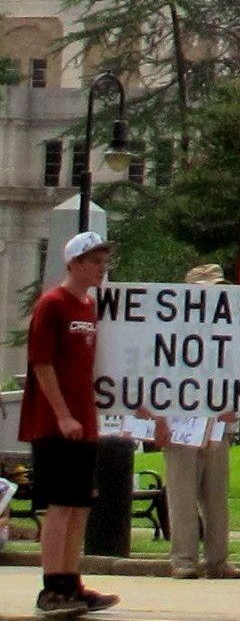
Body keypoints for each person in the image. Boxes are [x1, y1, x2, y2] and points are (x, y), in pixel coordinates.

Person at [23, 231, 117, 617]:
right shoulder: (53, 305)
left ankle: (71, 580)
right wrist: (62, 414)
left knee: (80, 505)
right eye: (95, 261)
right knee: (60, 505)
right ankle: (51, 587)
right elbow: (42, 363)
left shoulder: (88, 306)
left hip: (84, 420)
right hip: (54, 422)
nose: (101, 268)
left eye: (103, 261)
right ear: (75, 263)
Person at [161, 264, 240, 583]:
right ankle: (183, 559)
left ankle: (218, 559)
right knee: (181, 492)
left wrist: (236, 407)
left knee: (217, 494)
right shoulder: (172, 331)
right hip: (180, 421)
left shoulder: (230, 330)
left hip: (217, 421)